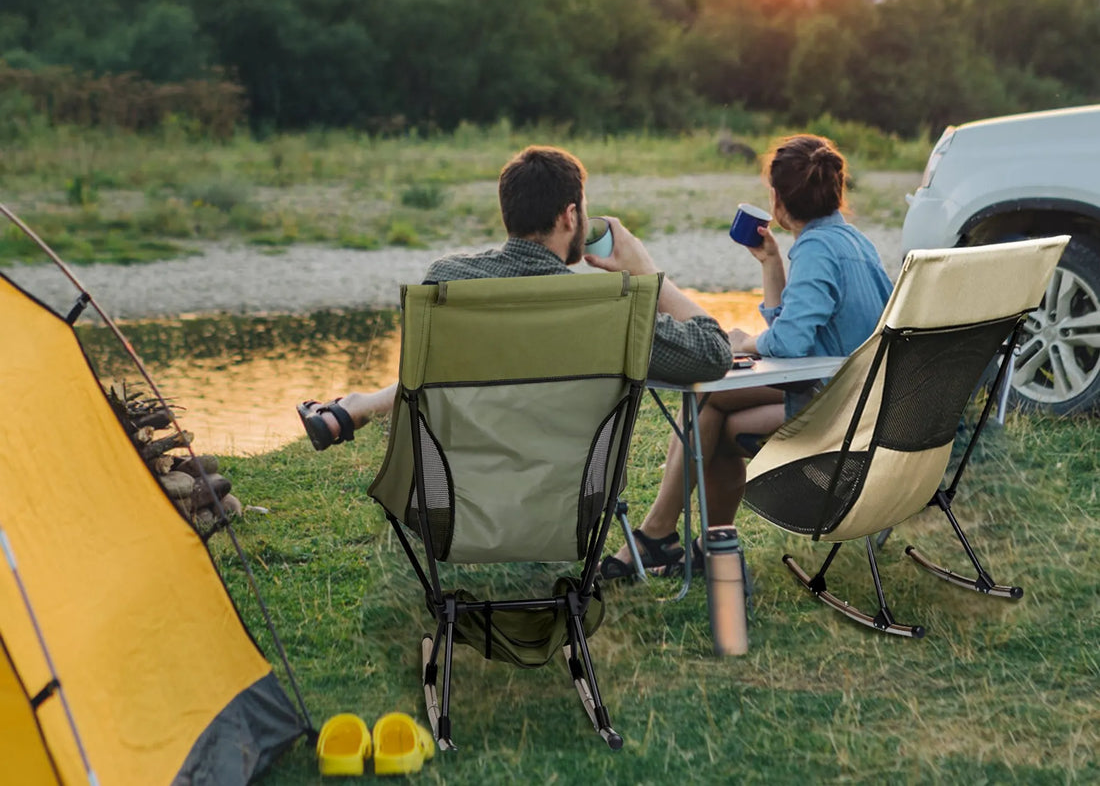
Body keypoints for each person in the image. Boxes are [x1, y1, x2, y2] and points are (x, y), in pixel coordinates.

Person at [297, 145, 732, 455]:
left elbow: (428, 377)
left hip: (453, 495)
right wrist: (648, 274)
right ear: (569, 216)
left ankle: (360, 405)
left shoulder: (446, 281)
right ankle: (360, 405)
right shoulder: (602, 305)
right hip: (562, 500)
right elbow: (714, 352)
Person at [600, 133, 894, 580]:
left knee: (710, 396)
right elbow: (798, 329)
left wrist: (743, 342)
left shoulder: (817, 250)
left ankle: (658, 535)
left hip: (838, 412)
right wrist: (772, 267)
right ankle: (705, 546)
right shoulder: (853, 243)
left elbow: (788, 344)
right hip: (858, 401)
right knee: (721, 420)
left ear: (776, 200)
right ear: (837, 191)